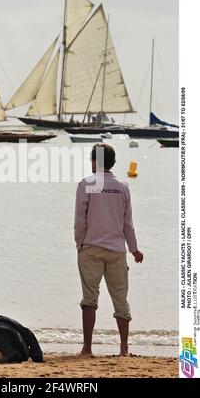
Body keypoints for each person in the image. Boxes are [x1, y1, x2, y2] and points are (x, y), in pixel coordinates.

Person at [74, 144, 143, 357]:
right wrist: (134, 249)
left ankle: (87, 348)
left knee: (89, 299)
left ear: (95, 161)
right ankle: (124, 349)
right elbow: (127, 223)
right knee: (120, 300)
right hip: (117, 250)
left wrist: (80, 243)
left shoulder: (86, 184)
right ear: (112, 162)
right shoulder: (123, 186)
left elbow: (80, 220)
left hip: (91, 248)